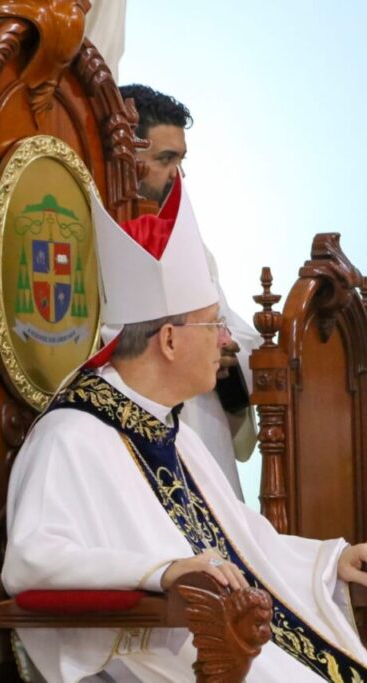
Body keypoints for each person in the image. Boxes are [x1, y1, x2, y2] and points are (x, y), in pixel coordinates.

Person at [2, 177, 367, 683]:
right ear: (169, 340)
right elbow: (34, 561)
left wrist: (333, 560)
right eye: (212, 324)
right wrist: (161, 574)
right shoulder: (70, 437)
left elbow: (245, 544)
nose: (224, 340)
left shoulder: (168, 430)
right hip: (175, 655)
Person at [118, 83, 260, 500]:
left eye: (180, 160)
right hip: (130, 444)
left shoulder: (193, 249)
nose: (176, 176)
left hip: (201, 430)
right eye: (164, 160)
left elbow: (235, 336)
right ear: (126, 156)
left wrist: (226, 355)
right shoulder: (96, 237)